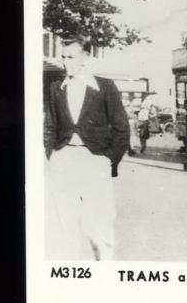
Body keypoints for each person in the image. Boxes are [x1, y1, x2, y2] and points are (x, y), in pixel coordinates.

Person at [44, 35, 130, 260]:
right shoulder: (56, 88)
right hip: (63, 160)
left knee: (100, 224)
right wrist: (51, 156)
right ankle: (72, 281)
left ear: (86, 57)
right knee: (64, 224)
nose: (65, 62)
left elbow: (122, 128)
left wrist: (108, 160)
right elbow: (50, 126)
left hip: (95, 161)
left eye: (70, 57)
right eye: (63, 57)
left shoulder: (105, 87)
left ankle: (104, 276)